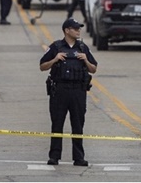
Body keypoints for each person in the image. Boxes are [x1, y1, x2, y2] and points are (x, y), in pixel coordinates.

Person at [40, 18, 98, 166]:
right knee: (57, 123)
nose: (79, 31)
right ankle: (54, 156)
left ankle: (78, 157)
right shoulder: (56, 47)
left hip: (78, 90)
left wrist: (85, 60)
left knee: (78, 124)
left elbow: (94, 69)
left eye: (79, 28)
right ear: (67, 30)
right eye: (75, 28)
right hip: (60, 90)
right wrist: (55, 59)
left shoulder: (83, 48)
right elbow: (42, 66)